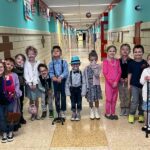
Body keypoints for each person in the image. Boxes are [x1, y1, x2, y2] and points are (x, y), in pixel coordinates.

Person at [0, 58, 22, 143]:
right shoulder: (2, 75)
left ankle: (10, 132)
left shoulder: (11, 76)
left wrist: (14, 93)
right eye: (8, 64)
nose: (10, 66)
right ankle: (4, 132)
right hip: (1, 102)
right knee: (2, 117)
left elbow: (15, 87)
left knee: (11, 116)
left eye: (12, 65)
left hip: (10, 100)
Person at [128, 45, 147, 123]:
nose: (137, 53)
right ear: (133, 53)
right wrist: (129, 84)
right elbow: (129, 74)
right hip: (134, 85)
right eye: (135, 52)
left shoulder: (145, 63)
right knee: (135, 101)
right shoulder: (131, 63)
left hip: (143, 86)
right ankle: (131, 114)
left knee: (142, 101)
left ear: (142, 53)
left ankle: (141, 114)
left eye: (139, 52)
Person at [49, 45, 69, 118]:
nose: (55, 52)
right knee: (57, 96)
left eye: (57, 51)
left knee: (63, 96)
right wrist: (53, 77)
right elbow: (50, 72)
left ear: (60, 53)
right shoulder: (51, 63)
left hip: (62, 81)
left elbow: (66, 71)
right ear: (52, 53)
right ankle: (58, 111)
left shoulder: (64, 62)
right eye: (54, 51)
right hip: (55, 82)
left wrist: (61, 77)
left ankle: (63, 110)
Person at [103, 45, 121, 120]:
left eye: (113, 51)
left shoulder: (117, 61)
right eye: (110, 51)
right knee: (109, 99)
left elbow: (119, 72)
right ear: (107, 52)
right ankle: (108, 113)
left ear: (115, 52)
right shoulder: (105, 62)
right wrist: (111, 82)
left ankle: (113, 113)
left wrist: (116, 81)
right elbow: (105, 73)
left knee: (114, 99)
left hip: (116, 84)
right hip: (109, 84)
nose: (112, 52)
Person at [65, 56, 86, 121]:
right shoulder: (70, 73)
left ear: (79, 64)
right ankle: (74, 112)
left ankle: (78, 112)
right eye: (74, 64)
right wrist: (67, 92)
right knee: (73, 102)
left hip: (79, 89)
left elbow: (84, 83)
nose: (75, 65)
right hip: (72, 90)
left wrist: (83, 91)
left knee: (79, 102)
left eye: (77, 64)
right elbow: (67, 83)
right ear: (71, 65)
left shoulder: (81, 73)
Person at [84, 50, 102, 120]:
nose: (93, 61)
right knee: (90, 99)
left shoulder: (98, 67)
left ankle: (96, 111)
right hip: (90, 87)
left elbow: (97, 75)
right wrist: (85, 87)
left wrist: (94, 68)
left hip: (96, 86)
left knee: (96, 99)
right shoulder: (86, 68)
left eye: (94, 60)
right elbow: (85, 77)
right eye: (91, 60)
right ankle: (91, 110)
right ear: (89, 60)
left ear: (97, 59)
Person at [24, 46, 40, 121]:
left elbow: (38, 74)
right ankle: (32, 114)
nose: (31, 55)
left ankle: (36, 113)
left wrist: (35, 83)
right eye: (29, 54)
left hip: (36, 84)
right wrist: (30, 84)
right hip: (29, 85)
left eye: (32, 54)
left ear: (35, 54)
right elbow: (26, 74)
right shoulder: (26, 64)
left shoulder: (38, 63)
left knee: (36, 99)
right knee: (31, 100)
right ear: (27, 54)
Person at [119, 44, 133, 116]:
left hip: (129, 82)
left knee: (128, 95)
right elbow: (116, 71)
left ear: (129, 51)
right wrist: (120, 78)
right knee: (121, 95)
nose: (125, 51)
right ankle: (122, 108)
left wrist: (128, 79)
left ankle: (127, 108)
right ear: (120, 51)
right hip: (120, 81)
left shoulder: (131, 61)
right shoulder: (118, 61)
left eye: (127, 49)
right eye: (123, 49)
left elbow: (132, 72)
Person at [14, 54, 26, 124]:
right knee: (15, 104)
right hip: (14, 89)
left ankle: (21, 117)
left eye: (22, 60)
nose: (20, 61)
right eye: (18, 58)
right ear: (15, 59)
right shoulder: (13, 69)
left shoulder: (23, 69)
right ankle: (16, 120)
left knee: (21, 102)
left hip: (21, 88)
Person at [140, 54, 150, 132]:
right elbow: (141, 82)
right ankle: (147, 124)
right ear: (147, 61)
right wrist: (145, 79)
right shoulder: (145, 70)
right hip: (146, 94)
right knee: (147, 110)